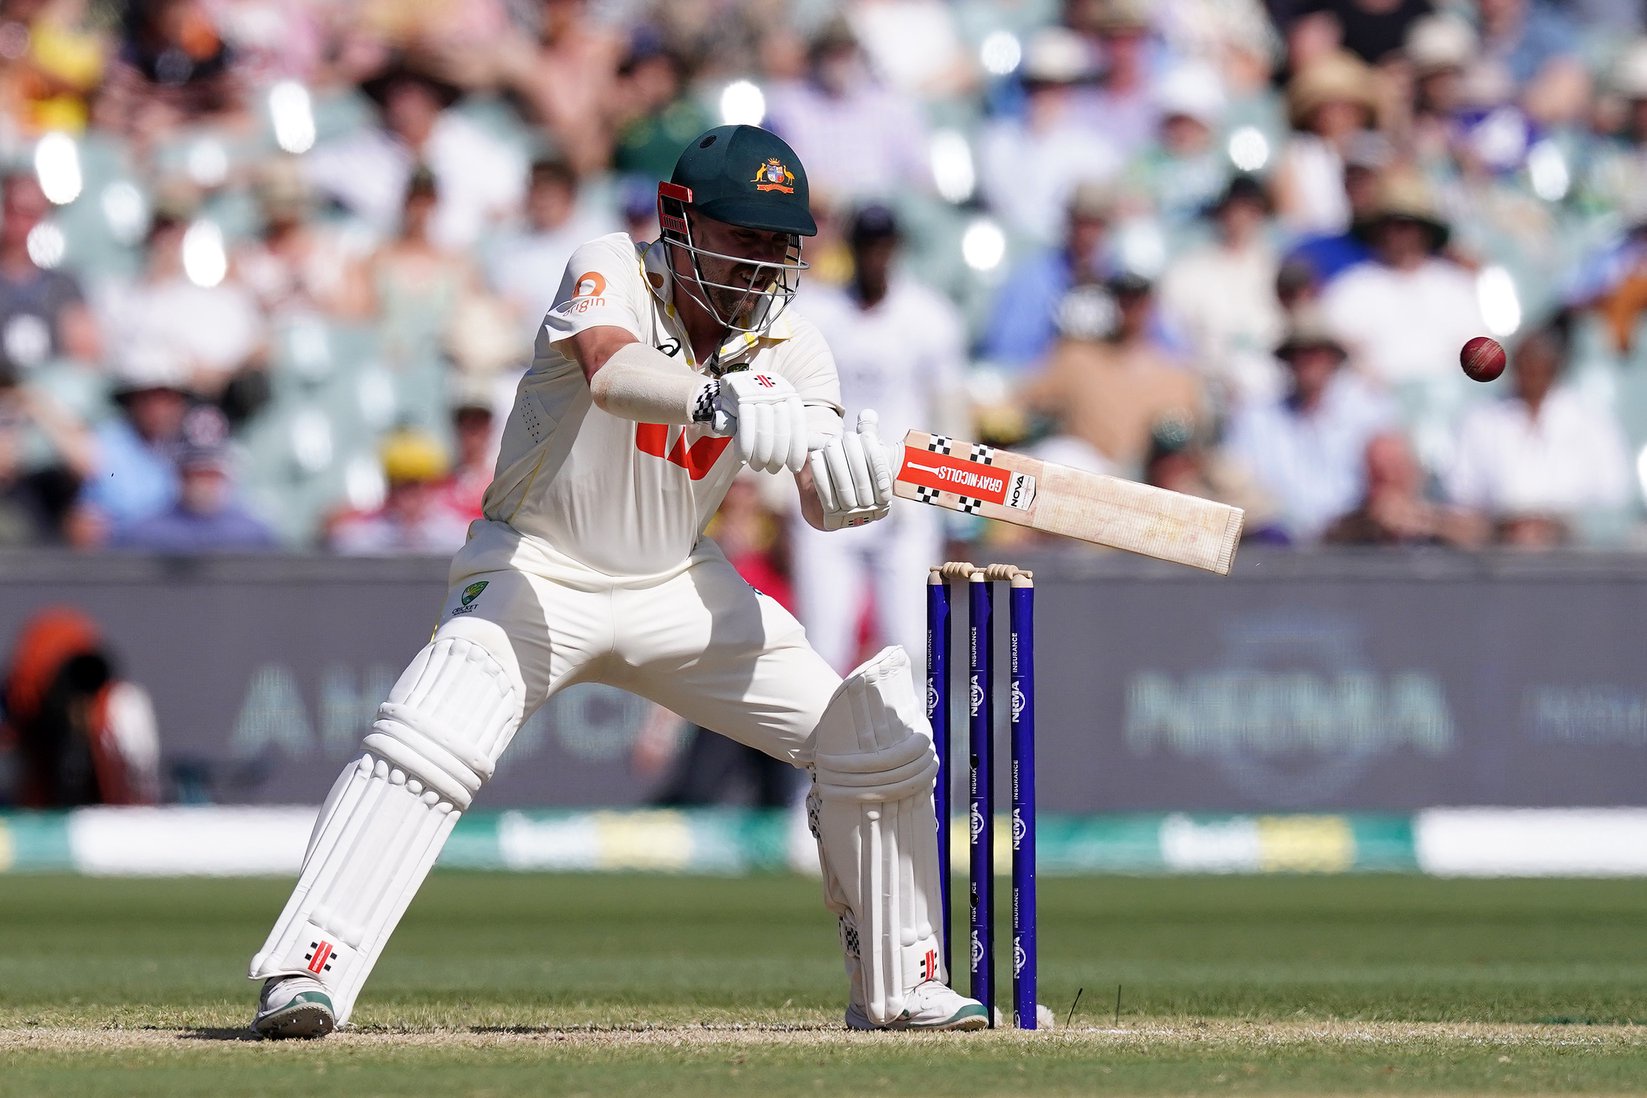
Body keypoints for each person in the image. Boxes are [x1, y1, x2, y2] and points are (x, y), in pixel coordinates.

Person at [247, 124, 986, 1038]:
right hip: (534, 567)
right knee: (439, 719)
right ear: (679, 221)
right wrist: (718, 399)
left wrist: (852, 483)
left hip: (676, 583)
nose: (762, 264)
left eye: (779, 244)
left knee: (873, 734)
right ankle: (306, 972)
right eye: (744, 236)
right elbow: (610, 371)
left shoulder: (793, 345)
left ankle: (903, 983)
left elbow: (823, 503)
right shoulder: (612, 267)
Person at [789, 203, 969, 674]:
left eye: (882, 245)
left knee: (910, 646)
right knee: (824, 645)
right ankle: (819, 748)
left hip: (905, 498)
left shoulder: (929, 317)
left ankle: (910, 746)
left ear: (897, 249)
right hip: (828, 491)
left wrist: (956, 512)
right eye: (866, 245)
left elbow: (950, 414)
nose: (874, 256)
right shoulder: (818, 313)